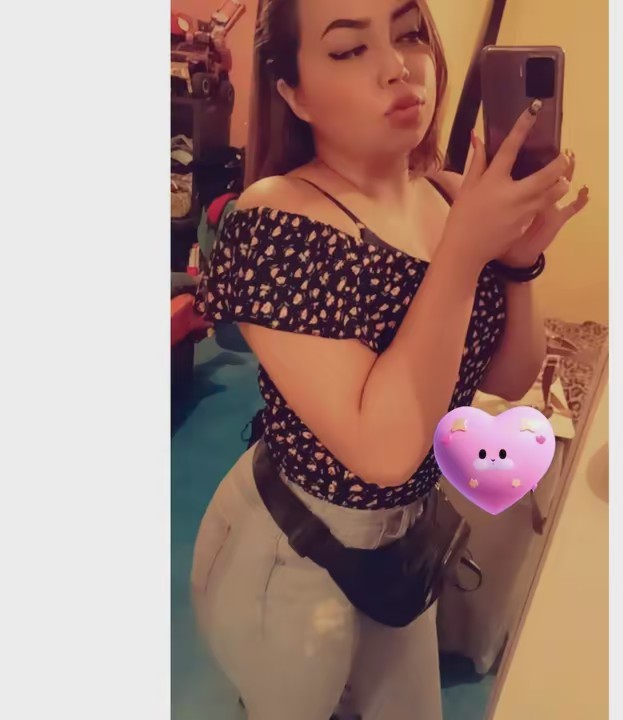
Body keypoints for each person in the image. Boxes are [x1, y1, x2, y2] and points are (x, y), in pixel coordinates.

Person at [190, 0, 589, 718]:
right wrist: (466, 252)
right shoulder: (276, 219)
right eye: (349, 49)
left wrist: (517, 264)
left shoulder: (447, 193)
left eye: (409, 35)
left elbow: (506, 377)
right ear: (294, 93)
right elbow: (383, 453)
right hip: (295, 549)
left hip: (406, 541)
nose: (398, 67)